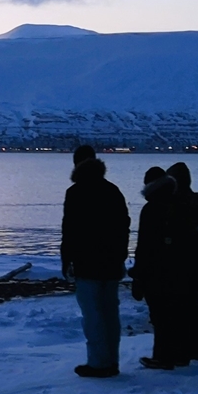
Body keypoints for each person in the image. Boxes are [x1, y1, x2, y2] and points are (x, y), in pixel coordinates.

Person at [60, 145, 130, 378]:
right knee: (110, 313)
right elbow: (123, 226)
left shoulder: (75, 192)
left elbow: (69, 230)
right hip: (110, 262)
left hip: (87, 262)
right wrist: (120, 255)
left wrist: (66, 259)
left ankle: (99, 362)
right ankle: (111, 360)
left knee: (93, 315)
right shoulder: (112, 190)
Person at [130, 166, 189, 370]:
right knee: (174, 312)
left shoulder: (152, 208)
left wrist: (138, 275)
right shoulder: (179, 203)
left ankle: (163, 357)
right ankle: (179, 354)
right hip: (178, 267)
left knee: (160, 315)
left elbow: (145, 245)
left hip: (156, 269)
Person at [166, 162, 198, 363]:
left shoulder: (179, 204)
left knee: (185, 303)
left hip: (185, 261)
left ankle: (195, 348)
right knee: (189, 302)